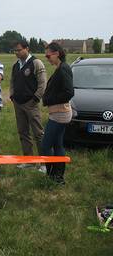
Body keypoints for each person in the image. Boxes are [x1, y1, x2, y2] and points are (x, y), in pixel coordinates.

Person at [10, 41, 47, 171]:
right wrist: (12, 96)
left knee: (38, 133)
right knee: (23, 132)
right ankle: (29, 161)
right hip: (18, 104)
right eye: (15, 50)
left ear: (27, 49)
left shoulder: (36, 63)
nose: (16, 53)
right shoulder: (16, 66)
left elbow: (42, 84)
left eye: (19, 50)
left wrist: (35, 99)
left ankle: (44, 163)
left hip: (31, 104)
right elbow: (12, 83)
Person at [41, 42, 74, 184]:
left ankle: (53, 176)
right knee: (57, 144)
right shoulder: (61, 68)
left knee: (45, 145)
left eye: (48, 55)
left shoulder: (63, 69)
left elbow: (69, 92)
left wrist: (49, 100)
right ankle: (57, 177)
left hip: (60, 114)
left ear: (57, 54)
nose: (47, 58)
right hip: (59, 112)